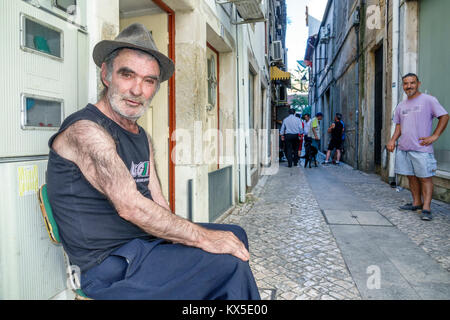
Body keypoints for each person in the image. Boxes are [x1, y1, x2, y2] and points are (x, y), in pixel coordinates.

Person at [46, 23, 260, 299]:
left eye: (149, 81)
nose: (138, 89)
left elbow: (159, 203)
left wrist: (191, 241)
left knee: (235, 235)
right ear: (106, 74)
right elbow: (132, 207)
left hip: (145, 248)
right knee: (228, 265)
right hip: (107, 268)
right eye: (127, 74)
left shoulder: (141, 136)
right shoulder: (86, 131)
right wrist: (202, 238)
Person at [387, 73, 448, 221]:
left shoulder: (428, 100)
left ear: (418, 84)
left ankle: (426, 208)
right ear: (403, 86)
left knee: (425, 178)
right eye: (406, 84)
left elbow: (444, 116)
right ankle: (417, 203)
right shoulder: (401, 106)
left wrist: (435, 136)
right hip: (404, 148)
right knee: (411, 177)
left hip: (422, 148)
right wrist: (392, 140)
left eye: (412, 83)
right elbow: (399, 126)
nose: (409, 86)